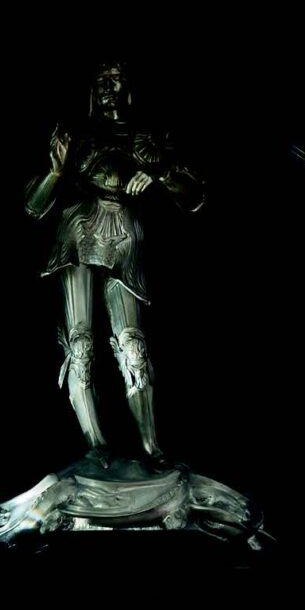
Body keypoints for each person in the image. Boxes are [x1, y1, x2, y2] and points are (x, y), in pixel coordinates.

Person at [25, 57, 203, 461]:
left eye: (116, 78)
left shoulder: (150, 136)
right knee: (81, 343)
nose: (108, 86)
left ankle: (151, 447)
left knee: (134, 346)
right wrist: (56, 173)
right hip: (78, 230)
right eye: (101, 79)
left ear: (130, 87)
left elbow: (193, 196)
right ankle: (96, 446)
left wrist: (159, 173)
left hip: (126, 236)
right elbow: (33, 205)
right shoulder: (74, 133)